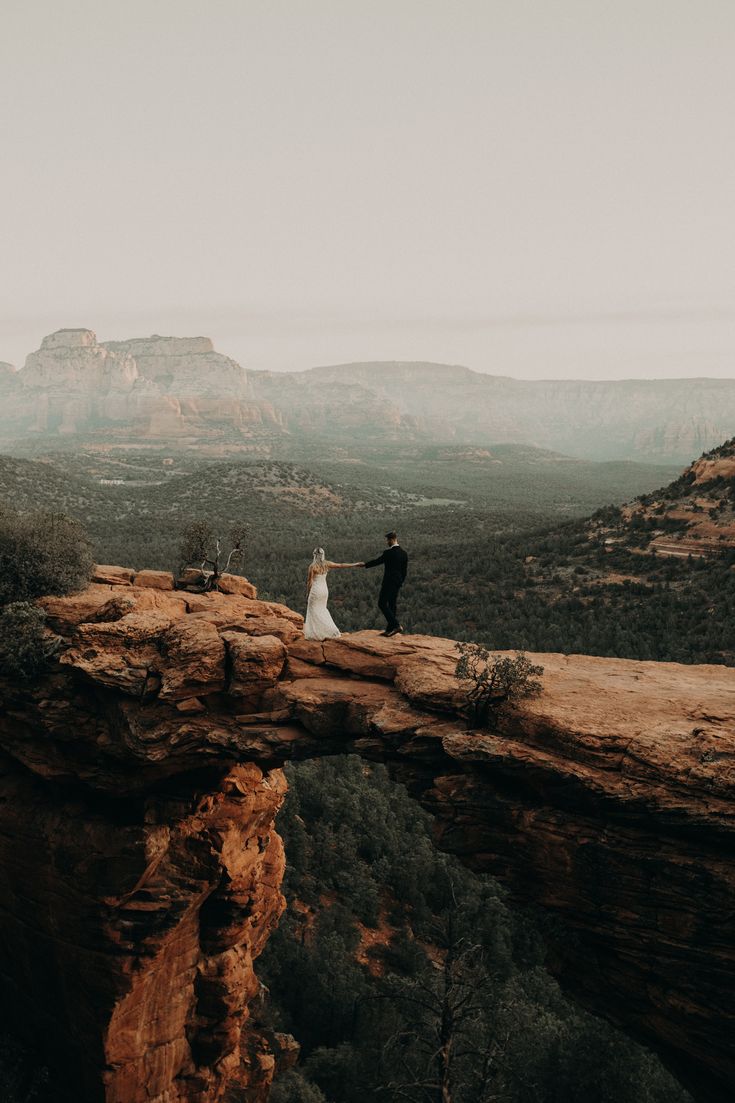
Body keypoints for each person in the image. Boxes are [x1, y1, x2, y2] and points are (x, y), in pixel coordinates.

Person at [304, 547, 363, 641]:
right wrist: (355, 564)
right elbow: (341, 565)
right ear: (323, 555)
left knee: (313, 610)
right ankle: (330, 631)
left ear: (314, 555)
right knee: (323, 610)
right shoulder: (326, 564)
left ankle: (316, 633)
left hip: (316, 591)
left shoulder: (312, 566)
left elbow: (309, 582)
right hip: (324, 591)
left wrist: (307, 594)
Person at [363, 531, 408, 636]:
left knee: (382, 603)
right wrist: (400, 582)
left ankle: (396, 625)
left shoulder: (388, 553)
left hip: (388, 582)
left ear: (392, 540)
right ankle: (390, 629)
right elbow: (404, 571)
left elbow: (377, 561)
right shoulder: (404, 553)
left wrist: (365, 565)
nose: (387, 542)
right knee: (392, 604)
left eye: (388, 540)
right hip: (397, 582)